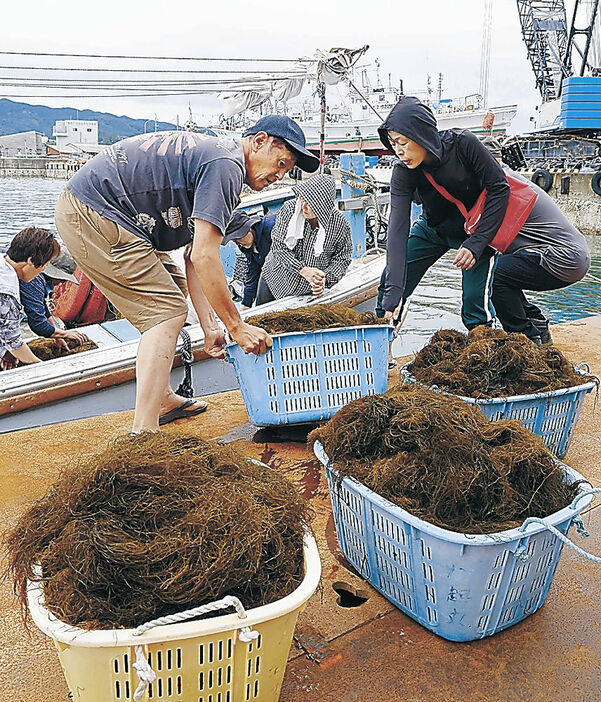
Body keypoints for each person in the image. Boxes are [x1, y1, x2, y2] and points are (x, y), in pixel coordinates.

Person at [55, 115, 319, 431]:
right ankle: (144, 431)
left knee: (172, 291)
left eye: (287, 170)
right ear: (259, 141)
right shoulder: (227, 164)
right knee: (165, 311)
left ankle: (162, 397)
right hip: (96, 212)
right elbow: (208, 256)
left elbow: (194, 255)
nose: (280, 175)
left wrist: (211, 327)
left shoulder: (221, 166)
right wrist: (236, 327)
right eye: (281, 163)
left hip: (111, 215)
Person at [377, 96, 590, 343]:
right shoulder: (403, 172)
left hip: (476, 232)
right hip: (433, 228)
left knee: (474, 302)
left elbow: (499, 187)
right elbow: (397, 229)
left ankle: (485, 349)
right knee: (390, 285)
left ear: (421, 134)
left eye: (403, 142)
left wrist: (477, 244)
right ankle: (381, 347)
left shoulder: (463, 143)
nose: (399, 151)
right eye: (393, 144)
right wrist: (393, 294)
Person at [257, 174, 352, 304]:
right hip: (276, 280)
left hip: (309, 291)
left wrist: (325, 279)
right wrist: (302, 269)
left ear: (324, 206)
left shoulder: (340, 224)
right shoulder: (289, 209)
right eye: (303, 199)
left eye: (311, 204)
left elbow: (342, 258)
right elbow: (279, 247)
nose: (304, 207)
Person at [1, 227, 60, 370]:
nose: (43, 270)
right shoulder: (7, 291)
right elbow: (14, 342)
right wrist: (45, 368)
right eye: (45, 264)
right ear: (31, 261)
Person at [18, 247, 88, 349]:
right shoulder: (33, 280)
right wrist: (65, 334)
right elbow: (38, 324)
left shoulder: (39, 278)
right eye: (62, 279)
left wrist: (58, 338)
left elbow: (43, 309)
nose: (63, 282)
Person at [221, 210, 276, 309]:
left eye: (238, 238)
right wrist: (246, 305)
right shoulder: (246, 247)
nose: (237, 243)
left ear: (249, 228)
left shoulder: (272, 227)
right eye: (234, 240)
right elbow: (253, 273)